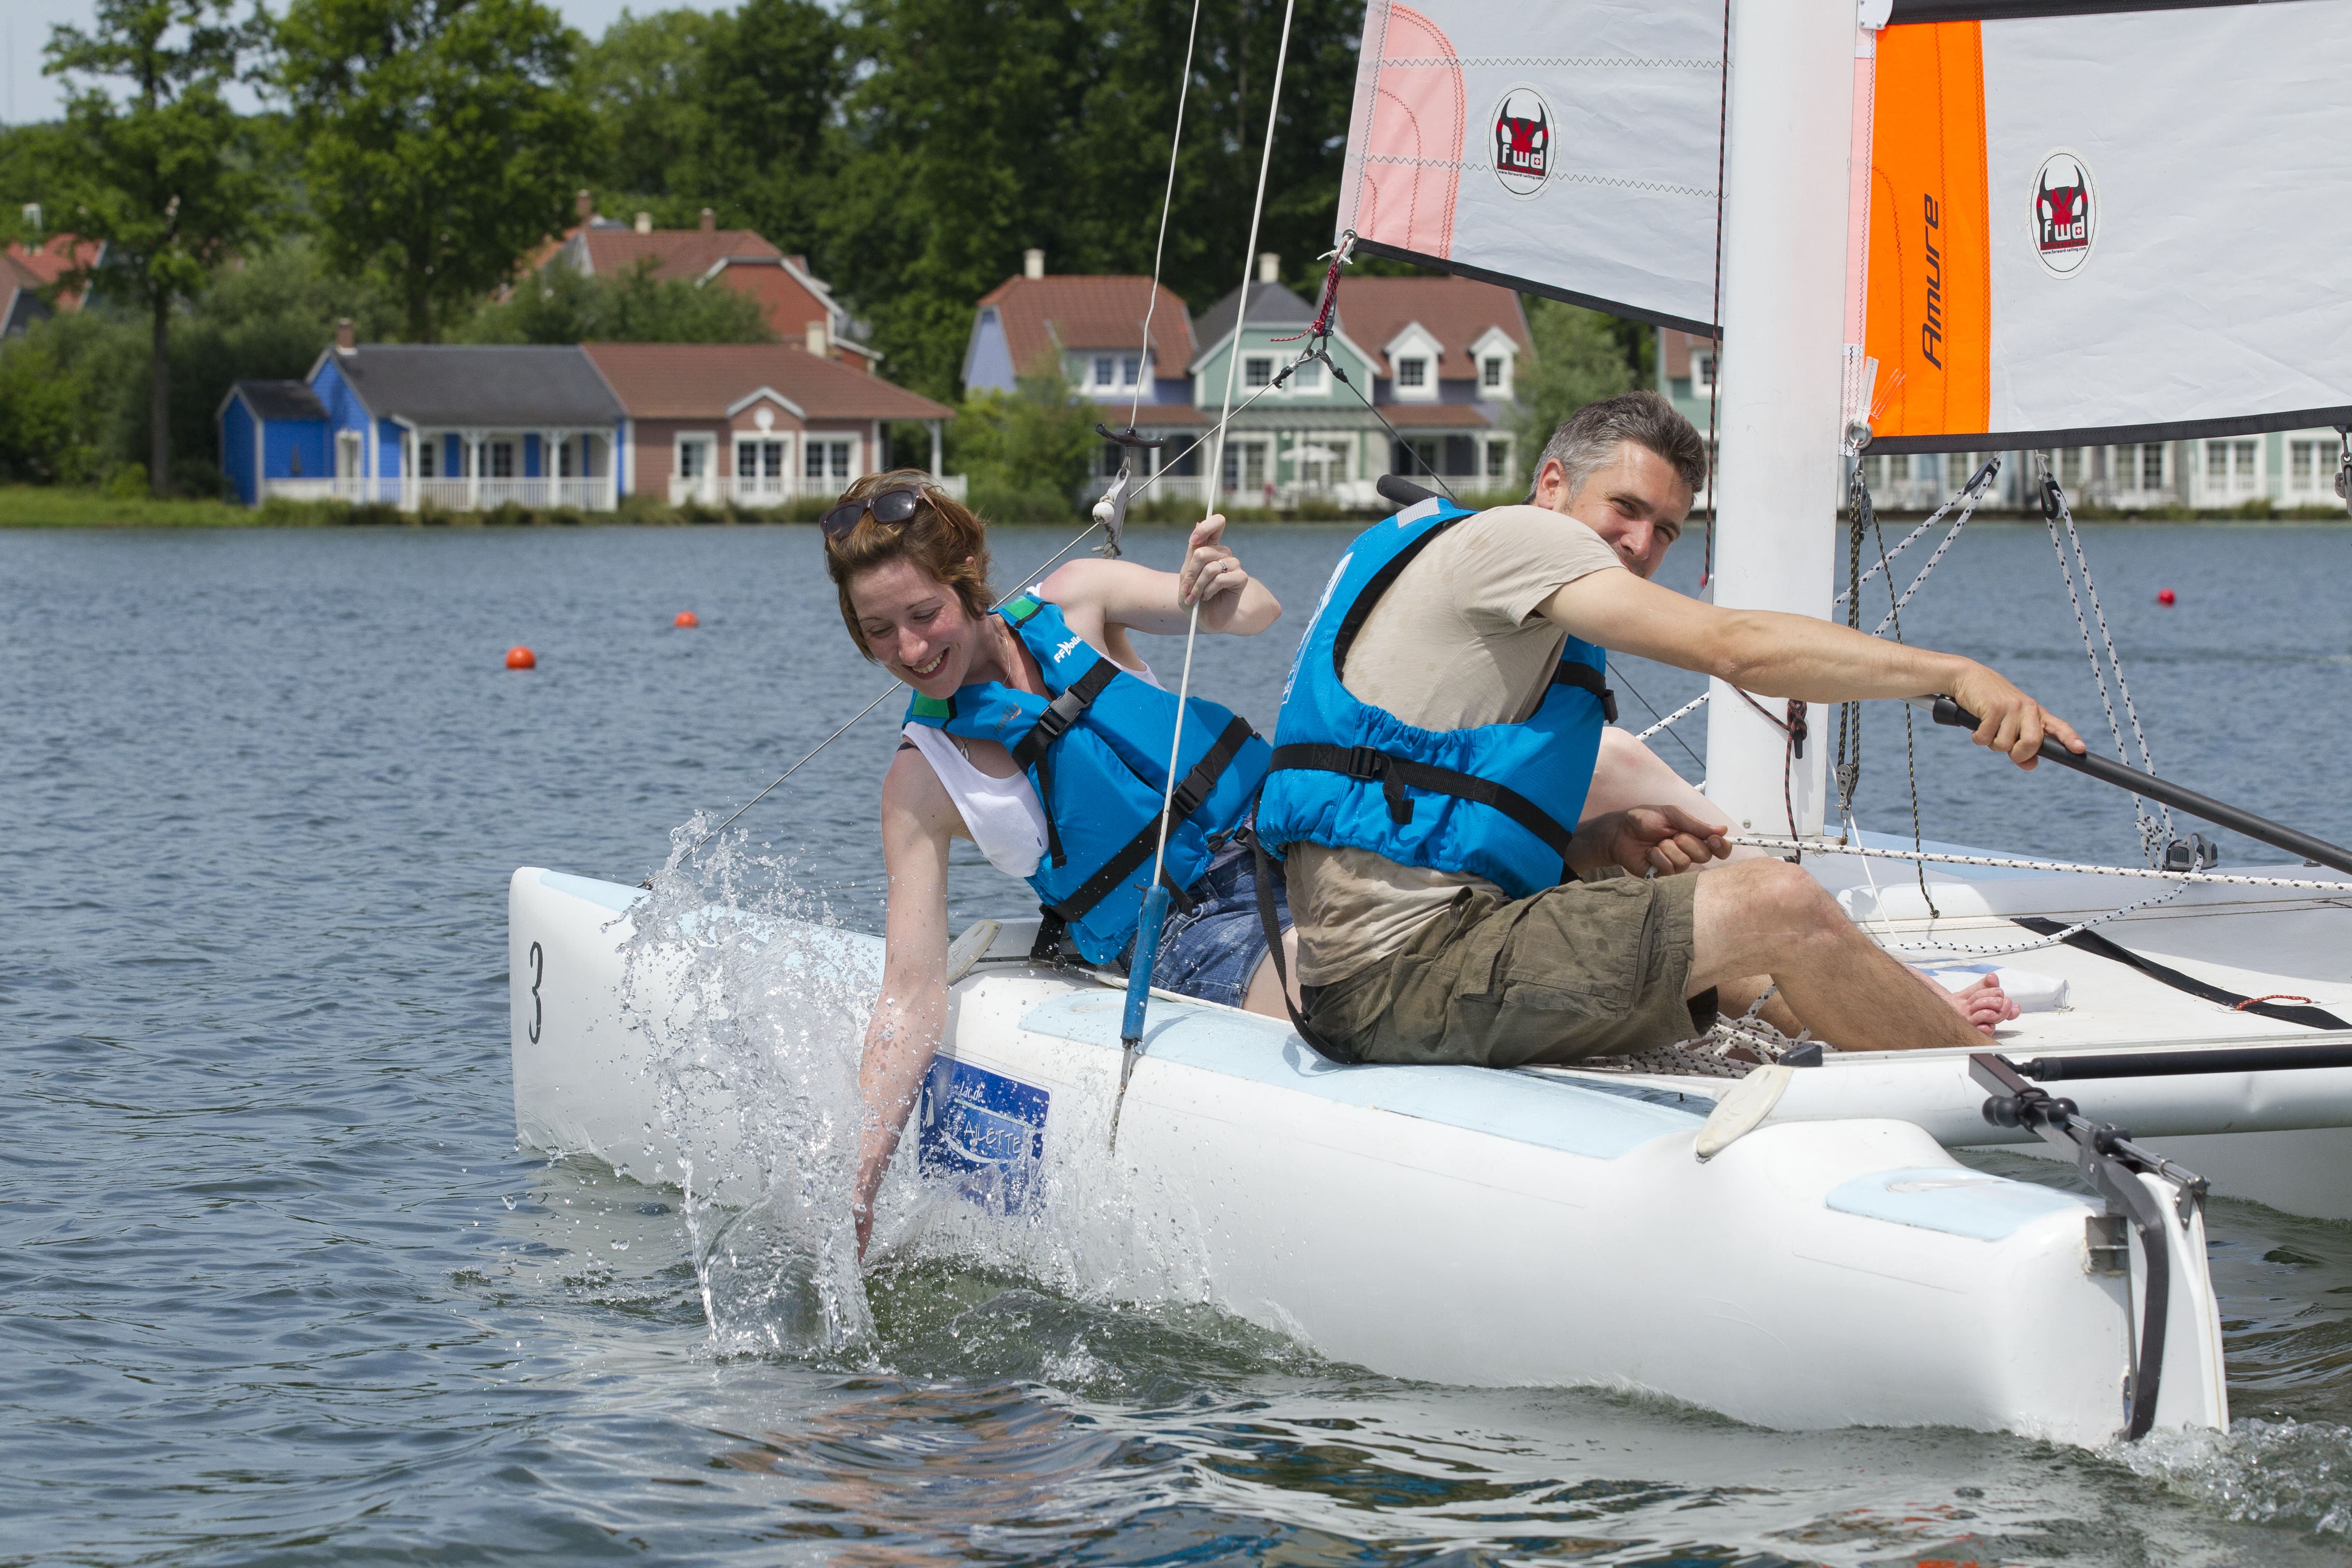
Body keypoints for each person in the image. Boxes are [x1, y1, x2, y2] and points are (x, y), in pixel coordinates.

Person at [1251, 392, 2070, 1066]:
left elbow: (1418, 828)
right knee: (1775, 898)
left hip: (1394, 967)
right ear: (1551, 484)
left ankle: (1871, 1019)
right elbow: (1735, 648)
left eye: (1668, 530)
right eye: (1626, 508)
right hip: (1398, 983)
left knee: (1674, 895)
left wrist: (1598, 842)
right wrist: (1953, 674)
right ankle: (2013, 1096)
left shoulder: (1483, 575)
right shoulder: (1519, 541)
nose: (1640, 545)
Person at [821, 471, 1297, 1250]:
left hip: (1288, 837)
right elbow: (909, 995)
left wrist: (1216, 590)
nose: (909, 649)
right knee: (1336, 974)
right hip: (1185, 931)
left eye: (923, 614)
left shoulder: (1079, 596)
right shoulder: (922, 780)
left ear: (966, 582)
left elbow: (1254, 616)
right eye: (878, 631)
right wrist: (863, 1165)